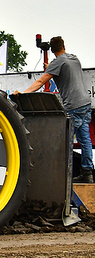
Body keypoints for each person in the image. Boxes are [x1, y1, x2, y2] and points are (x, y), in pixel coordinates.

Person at [14, 36, 93, 183]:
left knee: (64, 142)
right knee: (85, 140)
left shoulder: (57, 63)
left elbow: (41, 81)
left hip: (73, 106)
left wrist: (24, 93)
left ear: (51, 50)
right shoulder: (74, 58)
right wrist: (52, 65)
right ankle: (87, 173)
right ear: (64, 46)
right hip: (85, 104)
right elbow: (65, 66)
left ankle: (62, 175)